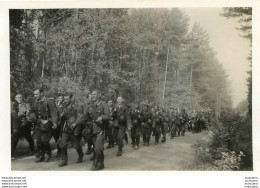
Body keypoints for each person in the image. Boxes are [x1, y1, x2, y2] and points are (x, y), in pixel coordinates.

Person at [73, 90, 109, 171]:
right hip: (92, 130)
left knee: (98, 148)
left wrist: (102, 117)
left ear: (98, 95)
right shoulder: (89, 106)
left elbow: (108, 116)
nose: (93, 96)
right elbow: (83, 116)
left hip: (100, 129)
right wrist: (75, 123)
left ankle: (95, 163)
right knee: (97, 147)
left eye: (94, 94)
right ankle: (101, 163)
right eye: (92, 94)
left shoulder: (103, 105)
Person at [30, 88, 58, 163]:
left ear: (41, 93)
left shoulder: (49, 101)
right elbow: (32, 111)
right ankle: (42, 155)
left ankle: (48, 154)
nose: (35, 96)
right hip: (38, 123)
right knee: (38, 141)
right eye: (34, 94)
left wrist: (55, 122)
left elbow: (54, 112)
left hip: (47, 123)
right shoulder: (34, 102)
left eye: (37, 94)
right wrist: (32, 117)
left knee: (44, 140)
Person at [58, 93, 84, 167]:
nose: (65, 100)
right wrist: (61, 115)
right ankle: (64, 160)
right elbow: (61, 116)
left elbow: (80, 117)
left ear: (70, 99)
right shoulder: (63, 106)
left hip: (73, 128)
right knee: (62, 144)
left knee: (76, 144)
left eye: (67, 99)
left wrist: (75, 124)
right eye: (64, 99)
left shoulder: (76, 107)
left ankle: (81, 155)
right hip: (65, 128)